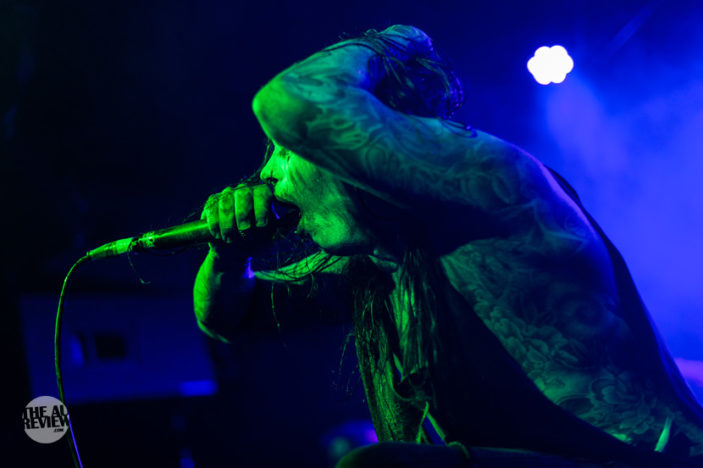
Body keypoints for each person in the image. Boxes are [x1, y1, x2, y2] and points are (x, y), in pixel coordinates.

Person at [193, 25, 703, 467]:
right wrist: (229, 254)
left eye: (287, 151)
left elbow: (294, 101)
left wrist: (392, 42)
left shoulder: (493, 183)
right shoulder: (379, 261)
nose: (268, 175)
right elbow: (229, 317)